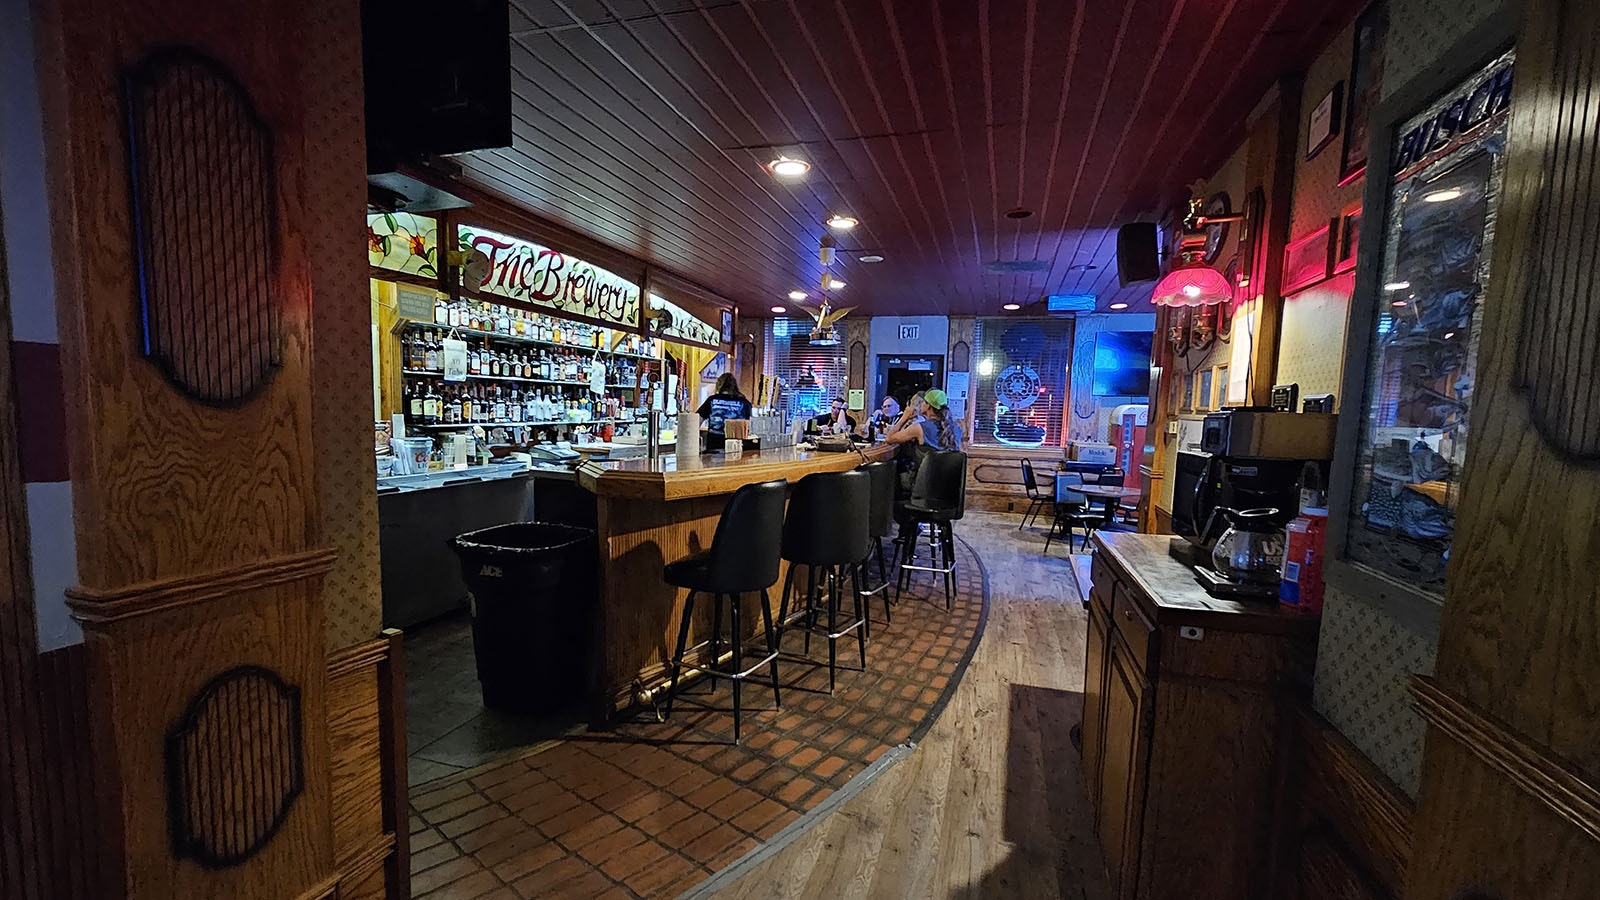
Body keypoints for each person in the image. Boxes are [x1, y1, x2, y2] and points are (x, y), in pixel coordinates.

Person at [886, 389, 961, 451]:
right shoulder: (956, 428)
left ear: (928, 405)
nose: (921, 404)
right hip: (948, 469)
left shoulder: (919, 428)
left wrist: (904, 417)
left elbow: (889, 439)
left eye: (924, 402)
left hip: (925, 469)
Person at [696, 373, 752, 447]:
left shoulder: (712, 400)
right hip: (736, 446)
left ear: (719, 385)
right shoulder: (744, 402)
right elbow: (750, 426)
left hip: (714, 445)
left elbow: (696, 421)